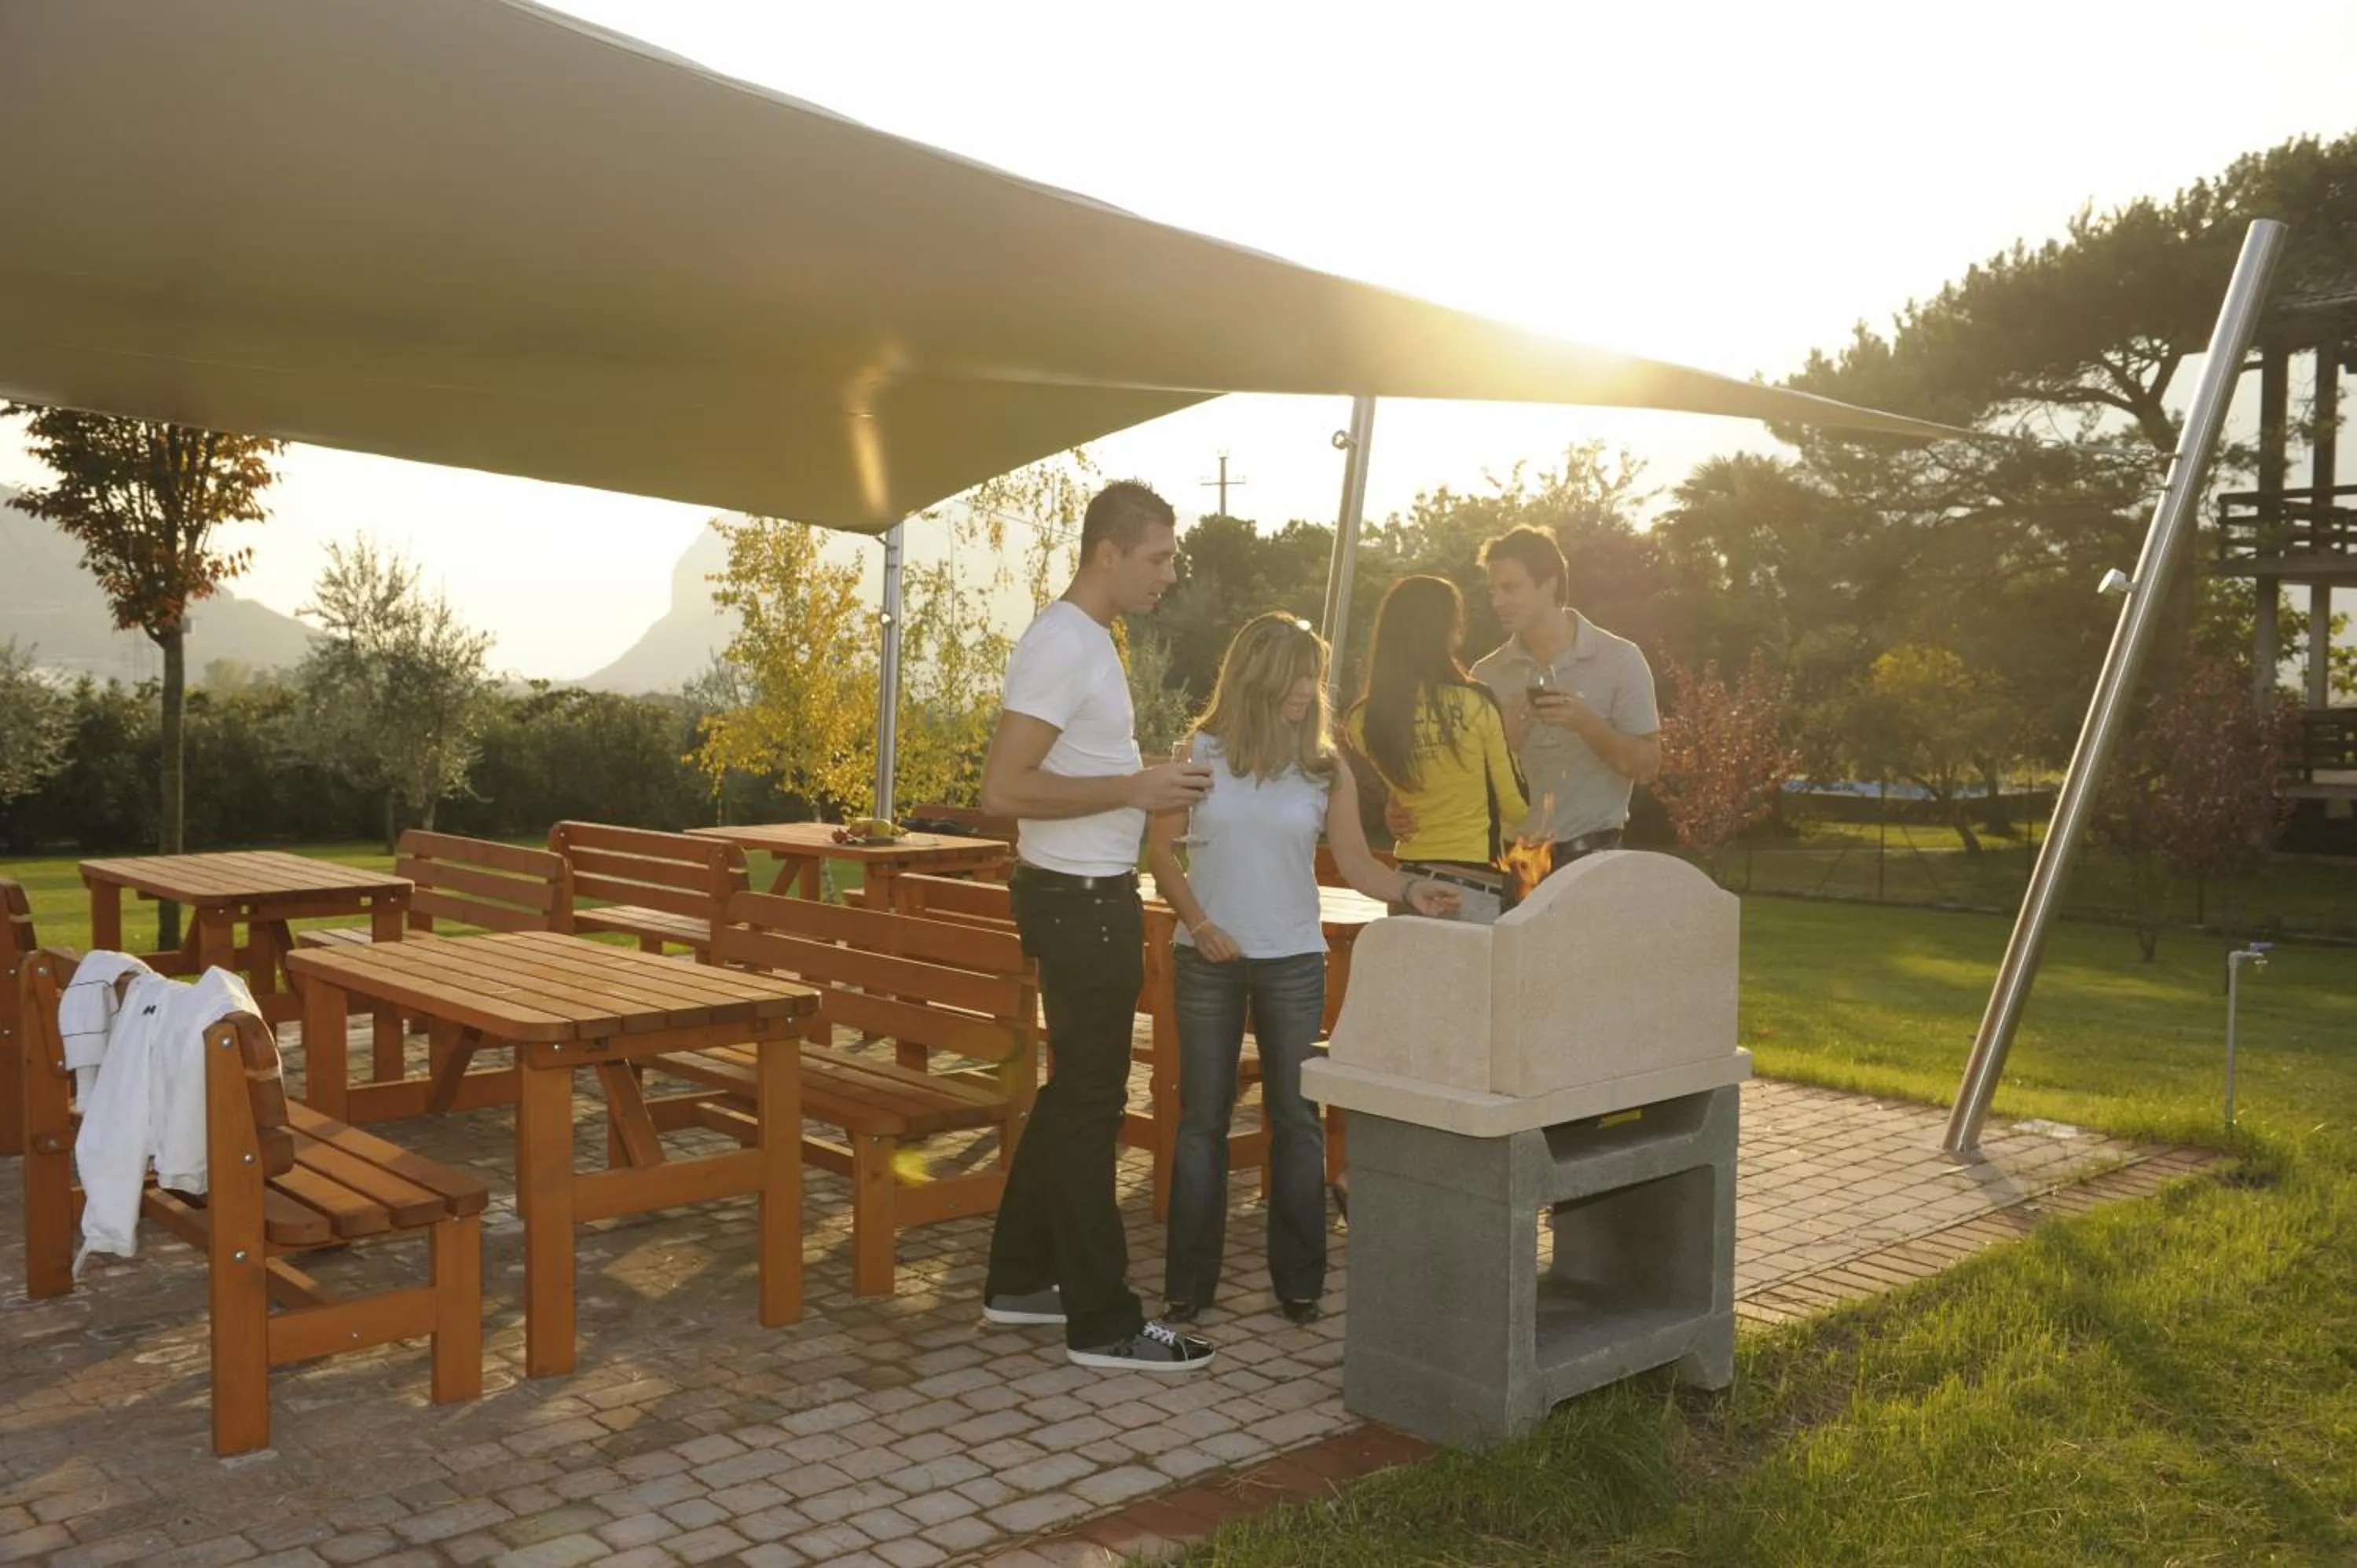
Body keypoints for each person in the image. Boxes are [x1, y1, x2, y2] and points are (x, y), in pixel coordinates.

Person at [1146, 614, 1457, 1327]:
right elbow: (1162, 855)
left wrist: (1409, 891)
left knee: (1297, 1118)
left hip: (1293, 962)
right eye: (1296, 673)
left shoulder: (1325, 769)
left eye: (1314, 673)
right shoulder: (1199, 753)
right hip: (1207, 961)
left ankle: (1301, 1284)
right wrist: (1200, 924)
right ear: (1257, 674)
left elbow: (1355, 862)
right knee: (1203, 1121)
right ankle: (1188, 1286)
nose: (1308, 688)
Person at [975, 480, 1218, 1374]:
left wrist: (1150, 774)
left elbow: (1068, 772)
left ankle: (1017, 1280)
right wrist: (1131, 788)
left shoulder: (1085, 641)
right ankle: (1104, 1320)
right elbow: (1002, 791)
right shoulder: (1066, 644)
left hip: (1080, 895)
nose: (1169, 573)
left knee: (1073, 1094)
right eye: (1157, 557)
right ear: (1107, 552)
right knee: (1092, 1106)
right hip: (1082, 904)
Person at [1468, 527, 1660, 870]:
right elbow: (1467, 788)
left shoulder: (1619, 659)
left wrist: (1586, 724)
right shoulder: (1486, 674)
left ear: (1550, 582)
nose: (1497, 602)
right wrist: (1503, 746)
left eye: (1510, 588)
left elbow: (1646, 768)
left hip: (1593, 865)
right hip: (1511, 865)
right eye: (1493, 590)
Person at [1346, 575, 1530, 921]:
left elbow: (1406, 784)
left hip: (1406, 887)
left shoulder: (1363, 720)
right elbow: (1516, 807)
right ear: (1446, 629)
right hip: (1471, 889)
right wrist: (1513, 744)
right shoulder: (1476, 702)